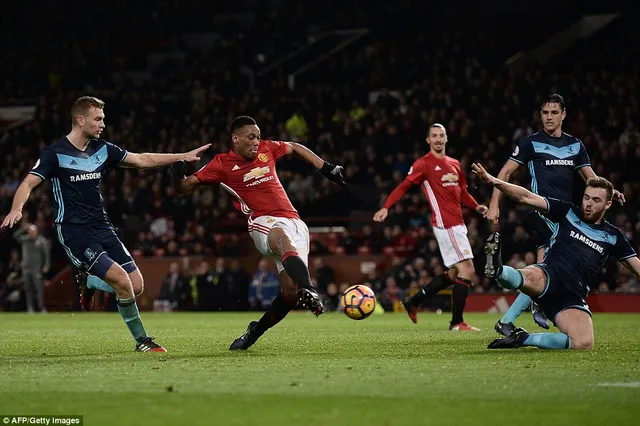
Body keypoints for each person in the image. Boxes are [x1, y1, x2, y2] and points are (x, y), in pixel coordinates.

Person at [1, 96, 210, 352]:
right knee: (122, 282)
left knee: (135, 286)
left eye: (103, 118)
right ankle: (142, 341)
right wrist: (16, 208)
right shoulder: (54, 154)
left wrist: (183, 156)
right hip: (74, 231)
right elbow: (28, 183)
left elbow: (142, 160)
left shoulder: (102, 149)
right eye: (97, 118)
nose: (103, 123)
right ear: (80, 120)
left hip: (103, 227)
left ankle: (88, 281)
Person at [169, 115, 346, 350]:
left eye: (258, 137)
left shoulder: (266, 149)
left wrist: (326, 167)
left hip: (296, 223)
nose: (256, 141)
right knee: (282, 240)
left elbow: (294, 147)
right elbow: (183, 188)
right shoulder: (221, 164)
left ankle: (253, 333)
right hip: (262, 221)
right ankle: (311, 291)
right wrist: (176, 175)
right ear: (236, 139)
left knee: (290, 295)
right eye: (251, 137)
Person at [485, 94, 625, 336]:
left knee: (546, 266)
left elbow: (591, 178)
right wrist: (494, 204)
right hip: (543, 210)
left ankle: (512, 317)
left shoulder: (575, 146)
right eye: (545, 113)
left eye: (553, 113)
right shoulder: (531, 143)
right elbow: (505, 173)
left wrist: (612, 191)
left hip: (564, 214)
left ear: (563, 115)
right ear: (540, 115)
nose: (549, 117)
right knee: (553, 267)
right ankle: (540, 302)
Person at [473, 163, 639, 349]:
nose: (588, 204)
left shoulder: (614, 236)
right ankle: (498, 270)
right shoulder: (568, 211)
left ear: (608, 204)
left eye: (595, 200)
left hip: (572, 296)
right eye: (586, 198)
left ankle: (521, 338)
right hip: (549, 276)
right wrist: (494, 181)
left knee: (583, 343)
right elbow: (525, 196)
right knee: (530, 275)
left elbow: (637, 267)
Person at [373, 123, 487, 331]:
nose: (437, 139)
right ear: (428, 140)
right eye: (433, 136)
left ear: (446, 138)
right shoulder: (423, 164)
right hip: (446, 224)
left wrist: (476, 206)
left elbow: (462, 191)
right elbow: (404, 186)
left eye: (441, 135)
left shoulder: (454, 164)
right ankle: (456, 322)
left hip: (458, 224)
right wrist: (386, 207)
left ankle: (414, 301)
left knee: (455, 274)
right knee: (467, 269)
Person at [13, 223, 50, 313]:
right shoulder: (25, 239)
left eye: (33, 231)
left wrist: (46, 265)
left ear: (36, 231)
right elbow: (15, 236)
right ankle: (30, 308)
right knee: (28, 289)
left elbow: (46, 254)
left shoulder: (41, 241)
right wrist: (23, 228)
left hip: (37, 269)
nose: (31, 233)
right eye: (30, 231)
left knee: (38, 289)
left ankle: (41, 307)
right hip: (26, 268)